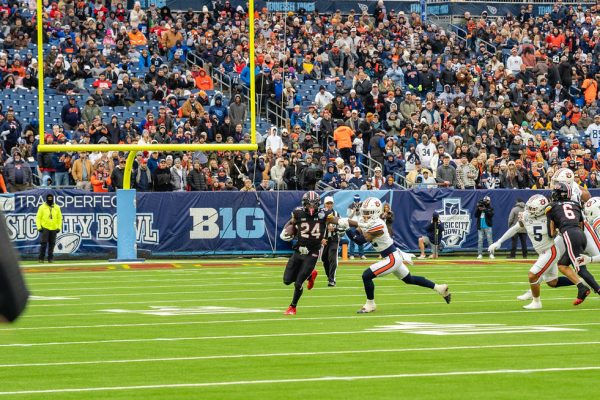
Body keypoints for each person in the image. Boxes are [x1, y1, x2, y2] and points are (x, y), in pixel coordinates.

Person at [330, 197, 450, 313]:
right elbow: (356, 230)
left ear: (376, 212)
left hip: (391, 258)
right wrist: (338, 223)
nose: (365, 215)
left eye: (369, 212)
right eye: (364, 212)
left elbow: (359, 240)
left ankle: (370, 304)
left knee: (366, 275)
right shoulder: (366, 221)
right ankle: (439, 288)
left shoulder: (379, 224)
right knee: (410, 279)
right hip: (392, 255)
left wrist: (346, 228)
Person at [489, 195, 580, 309]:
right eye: (529, 207)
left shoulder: (551, 217)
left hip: (550, 251)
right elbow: (515, 228)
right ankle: (582, 282)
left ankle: (536, 302)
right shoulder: (526, 216)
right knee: (552, 282)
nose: (530, 210)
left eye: (533, 208)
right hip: (542, 252)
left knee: (533, 275)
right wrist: (499, 242)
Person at [547, 182, 600, 305]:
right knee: (562, 265)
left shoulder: (552, 207)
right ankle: (582, 288)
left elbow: (551, 233)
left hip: (569, 235)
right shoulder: (576, 204)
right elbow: (581, 225)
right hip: (580, 234)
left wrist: (558, 230)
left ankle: (597, 289)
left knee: (580, 268)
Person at [279, 191, 325, 315]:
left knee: (298, 283)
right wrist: (285, 229)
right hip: (298, 250)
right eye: (309, 204)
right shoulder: (297, 213)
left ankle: (292, 307)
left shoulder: (324, 214)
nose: (311, 207)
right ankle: (310, 275)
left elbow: (336, 220)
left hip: (312, 252)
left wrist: (345, 223)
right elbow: (292, 222)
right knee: (287, 281)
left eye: (314, 204)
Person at [35, 193, 63, 263]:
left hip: (54, 227)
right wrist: (39, 227)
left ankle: (50, 258)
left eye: (51, 198)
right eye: (48, 198)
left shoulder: (57, 207)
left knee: (52, 244)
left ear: (53, 199)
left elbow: (59, 218)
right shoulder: (42, 207)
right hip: (45, 227)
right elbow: (38, 217)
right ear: (46, 199)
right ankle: (41, 258)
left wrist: (59, 227)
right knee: (43, 243)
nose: (50, 200)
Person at [320, 196, 341, 287]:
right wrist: (321, 238)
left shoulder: (336, 213)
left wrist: (335, 229)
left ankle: (332, 279)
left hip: (334, 239)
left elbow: (341, 227)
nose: (329, 205)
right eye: (327, 203)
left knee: (332, 258)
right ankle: (329, 277)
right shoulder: (320, 214)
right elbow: (317, 227)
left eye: (330, 203)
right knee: (324, 259)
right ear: (324, 204)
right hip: (324, 240)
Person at [347, 194, 365, 259]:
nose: (357, 202)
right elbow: (349, 216)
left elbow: (362, 214)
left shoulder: (362, 205)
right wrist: (353, 211)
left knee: (361, 239)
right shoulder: (350, 206)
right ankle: (351, 254)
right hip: (352, 224)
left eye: (358, 201)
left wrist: (360, 210)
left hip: (360, 224)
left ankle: (362, 254)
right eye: (356, 201)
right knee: (352, 239)